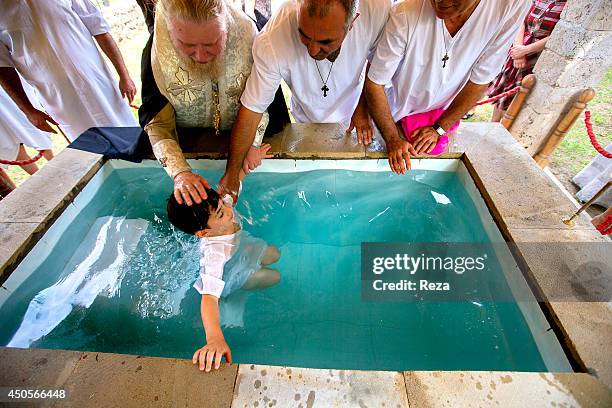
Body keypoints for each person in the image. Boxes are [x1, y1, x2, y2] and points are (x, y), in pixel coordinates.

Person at [219, 0, 391, 198]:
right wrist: (232, 176)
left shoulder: (377, 9)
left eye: (325, 42)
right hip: (306, 115)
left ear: (353, 21)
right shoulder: (273, 39)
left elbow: (378, 60)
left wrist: (363, 108)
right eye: (304, 35)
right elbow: (252, 108)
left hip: (356, 111)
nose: (312, 50)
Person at [140, 0, 282, 208]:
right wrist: (180, 172)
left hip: (241, 132)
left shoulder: (247, 36)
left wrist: (252, 144)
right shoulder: (159, 51)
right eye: (187, 45)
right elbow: (158, 123)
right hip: (186, 137)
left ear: (226, 28)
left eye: (210, 44)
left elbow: (260, 104)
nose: (200, 56)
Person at [365, 0, 531, 174]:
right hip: (395, 107)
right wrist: (393, 138)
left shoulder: (509, 6)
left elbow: (482, 78)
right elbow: (376, 82)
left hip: (441, 111)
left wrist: (439, 128)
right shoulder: (405, 13)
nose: (440, 2)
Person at [166, 166, 281, 372]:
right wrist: (214, 338)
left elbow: (234, 183)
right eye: (220, 213)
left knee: (274, 254)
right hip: (231, 275)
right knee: (273, 277)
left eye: (221, 204)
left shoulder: (220, 205)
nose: (228, 209)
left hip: (241, 248)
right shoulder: (215, 253)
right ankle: (238, 291)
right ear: (203, 233)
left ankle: (251, 264)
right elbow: (209, 298)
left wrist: (248, 162)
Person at [0, 0, 137, 141]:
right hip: (58, 98)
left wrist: (124, 76)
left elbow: (99, 29)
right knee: (92, 149)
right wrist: (29, 111)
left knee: (129, 135)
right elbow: (3, 68)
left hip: (98, 81)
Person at [488, 0, 567, 122]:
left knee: (517, 98)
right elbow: (520, 22)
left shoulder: (567, 6)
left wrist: (526, 50)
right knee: (504, 93)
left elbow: (559, 34)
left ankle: (502, 129)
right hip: (517, 50)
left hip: (536, 56)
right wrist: (518, 50)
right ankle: (492, 125)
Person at [0, 86, 54, 177]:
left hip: (5, 99)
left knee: (32, 131)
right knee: (7, 143)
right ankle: (40, 177)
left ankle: (55, 163)